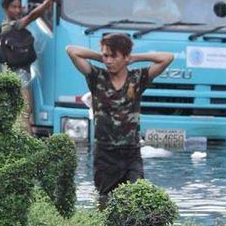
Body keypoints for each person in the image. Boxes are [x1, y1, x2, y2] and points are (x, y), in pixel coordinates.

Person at [66, 34, 173, 206]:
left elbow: (167, 58)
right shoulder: (96, 77)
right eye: (105, 56)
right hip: (105, 154)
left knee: (137, 199)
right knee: (105, 203)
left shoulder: (137, 78)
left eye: (113, 56)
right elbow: (71, 51)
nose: (108, 61)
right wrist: (100, 57)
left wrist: (135, 58)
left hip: (131, 153)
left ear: (125, 57)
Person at [0, 0, 61, 133]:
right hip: (19, 74)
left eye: (19, 7)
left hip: (13, 72)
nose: (17, 10)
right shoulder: (11, 25)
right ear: (5, 9)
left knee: (20, 112)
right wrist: (49, 1)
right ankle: (28, 144)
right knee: (25, 111)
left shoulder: (6, 25)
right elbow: (33, 16)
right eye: (13, 7)